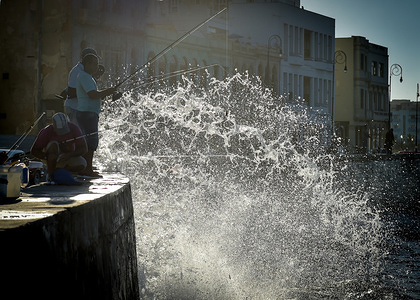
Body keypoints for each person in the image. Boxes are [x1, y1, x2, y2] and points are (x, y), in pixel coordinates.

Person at [76, 53, 116, 178]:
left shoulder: (87, 76)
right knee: (91, 142)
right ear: (87, 64)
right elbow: (92, 94)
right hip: (87, 114)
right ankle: (87, 169)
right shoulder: (85, 76)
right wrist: (107, 91)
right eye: (95, 64)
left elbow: (94, 95)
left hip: (88, 113)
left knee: (89, 141)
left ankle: (86, 167)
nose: (96, 67)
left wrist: (106, 94)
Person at [31, 112, 88, 183]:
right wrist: (47, 157)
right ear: (53, 126)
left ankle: (60, 170)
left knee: (82, 164)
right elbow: (34, 150)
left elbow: (84, 148)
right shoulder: (46, 131)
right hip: (51, 157)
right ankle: (51, 175)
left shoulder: (74, 128)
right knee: (53, 144)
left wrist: (69, 155)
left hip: (68, 156)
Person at [64, 47, 103, 125]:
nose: (96, 66)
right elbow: (71, 92)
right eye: (94, 63)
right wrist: (92, 93)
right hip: (74, 107)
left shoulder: (85, 72)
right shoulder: (77, 72)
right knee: (78, 133)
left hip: (80, 109)